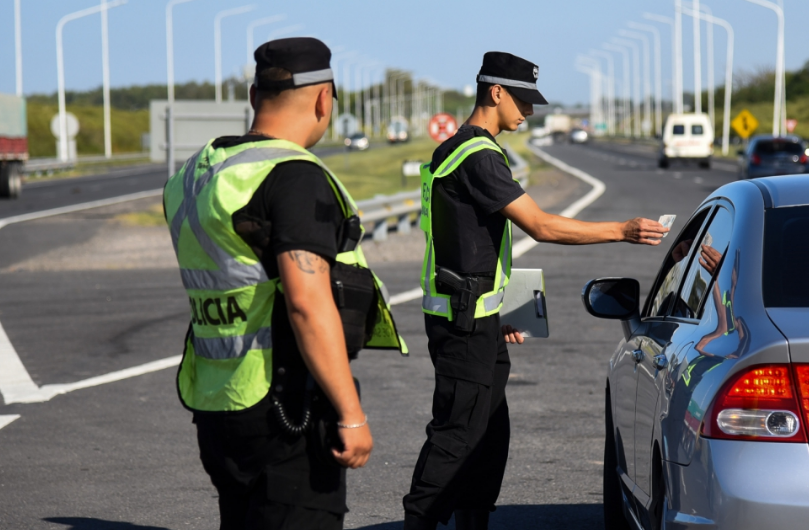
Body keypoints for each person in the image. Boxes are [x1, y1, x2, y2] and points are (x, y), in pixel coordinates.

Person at [403, 51, 669, 530]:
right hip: (462, 322)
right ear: (495, 92)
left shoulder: (461, 150)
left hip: (472, 315)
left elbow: (464, 243)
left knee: (487, 433)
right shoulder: (477, 155)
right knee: (457, 436)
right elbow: (542, 226)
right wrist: (622, 230)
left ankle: (470, 521)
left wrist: (494, 313)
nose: (528, 112)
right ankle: (419, 521)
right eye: (522, 101)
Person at [163, 37, 406, 530]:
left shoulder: (194, 176)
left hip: (216, 400)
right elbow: (306, 304)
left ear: (254, 97)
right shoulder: (292, 176)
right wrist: (351, 413)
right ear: (324, 99)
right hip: (284, 405)